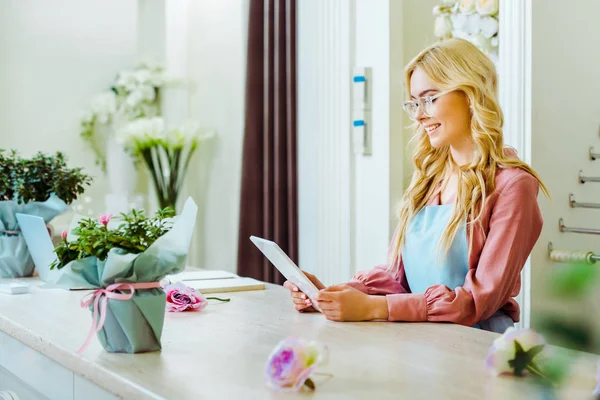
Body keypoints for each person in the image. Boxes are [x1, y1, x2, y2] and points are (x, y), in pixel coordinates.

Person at [284, 38, 548, 333]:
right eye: (414, 102)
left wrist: (374, 308)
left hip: (477, 347)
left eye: (431, 98)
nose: (420, 114)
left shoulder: (513, 186)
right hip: (420, 339)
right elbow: (398, 278)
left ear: (471, 93)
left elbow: (477, 300)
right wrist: (333, 294)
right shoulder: (429, 179)